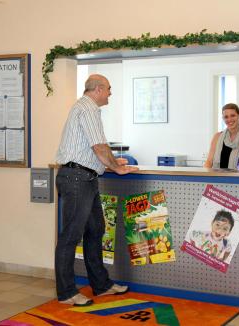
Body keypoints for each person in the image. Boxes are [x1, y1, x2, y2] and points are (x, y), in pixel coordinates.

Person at [55, 74, 138, 306]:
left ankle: (100, 285)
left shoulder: (86, 108)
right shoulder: (88, 109)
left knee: (95, 230)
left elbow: (98, 149)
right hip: (76, 178)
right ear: (99, 89)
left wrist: (114, 161)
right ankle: (67, 292)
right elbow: (99, 146)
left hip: (85, 177)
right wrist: (116, 167)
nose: (110, 93)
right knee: (70, 236)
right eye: (109, 89)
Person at [204, 103, 239, 169]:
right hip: (219, 178)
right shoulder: (217, 137)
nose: (229, 119)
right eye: (226, 117)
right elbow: (209, 161)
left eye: (233, 115)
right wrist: (205, 175)